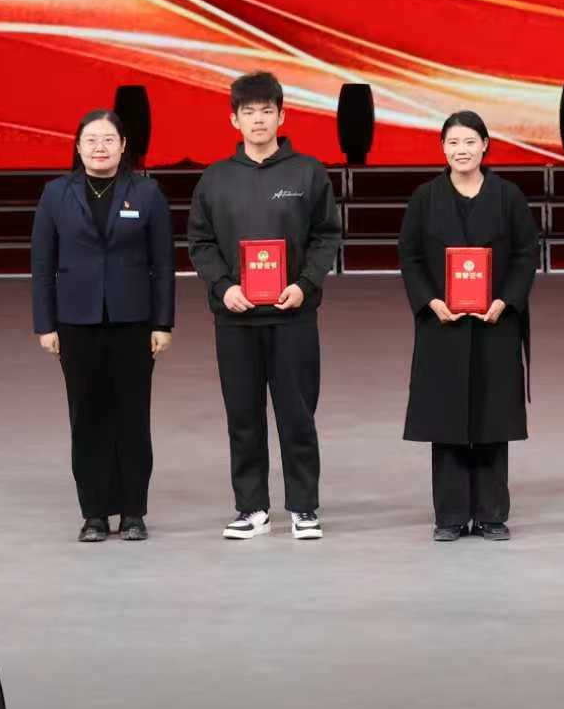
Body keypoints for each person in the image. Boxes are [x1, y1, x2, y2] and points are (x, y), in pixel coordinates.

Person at [185, 71, 341, 542]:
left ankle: (304, 508)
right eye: (248, 112)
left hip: (293, 316)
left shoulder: (308, 173)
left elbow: (326, 236)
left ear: (282, 116)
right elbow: (200, 242)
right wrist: (223, 286)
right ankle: (251, 508)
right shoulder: (215, 179)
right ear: (234, 120)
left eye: (266, 111)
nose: (258, 120)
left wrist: (305, 284)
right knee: (243, 416)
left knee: (297, 415)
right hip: (235, 318)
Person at [30, 109, 176, 543]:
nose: (100, 147)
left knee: (133, 416)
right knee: (87, 416)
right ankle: (93, 513)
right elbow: (42, 265)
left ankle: (133, 512)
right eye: (91, 139)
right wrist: (45, 324)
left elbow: (164, 265)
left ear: (123, 145)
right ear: (78, 147)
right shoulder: (56, 194)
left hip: (134, 323)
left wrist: (163, 322)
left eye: (108, 139)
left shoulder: (147, 193)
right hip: (76, 323)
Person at [396, 111, 539, 541]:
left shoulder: (508, 196)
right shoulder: (425, 198)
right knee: (447, 417)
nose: (462, 150)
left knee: (494, 417)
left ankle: (492, 514)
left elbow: (525, 255)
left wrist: (505, 301)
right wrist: (430, 301)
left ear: (485, 145)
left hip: (496, 322)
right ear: (443, 148)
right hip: (443, 324)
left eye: (470, 142)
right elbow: (410, 257)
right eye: (454, 143)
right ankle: (451, 515)